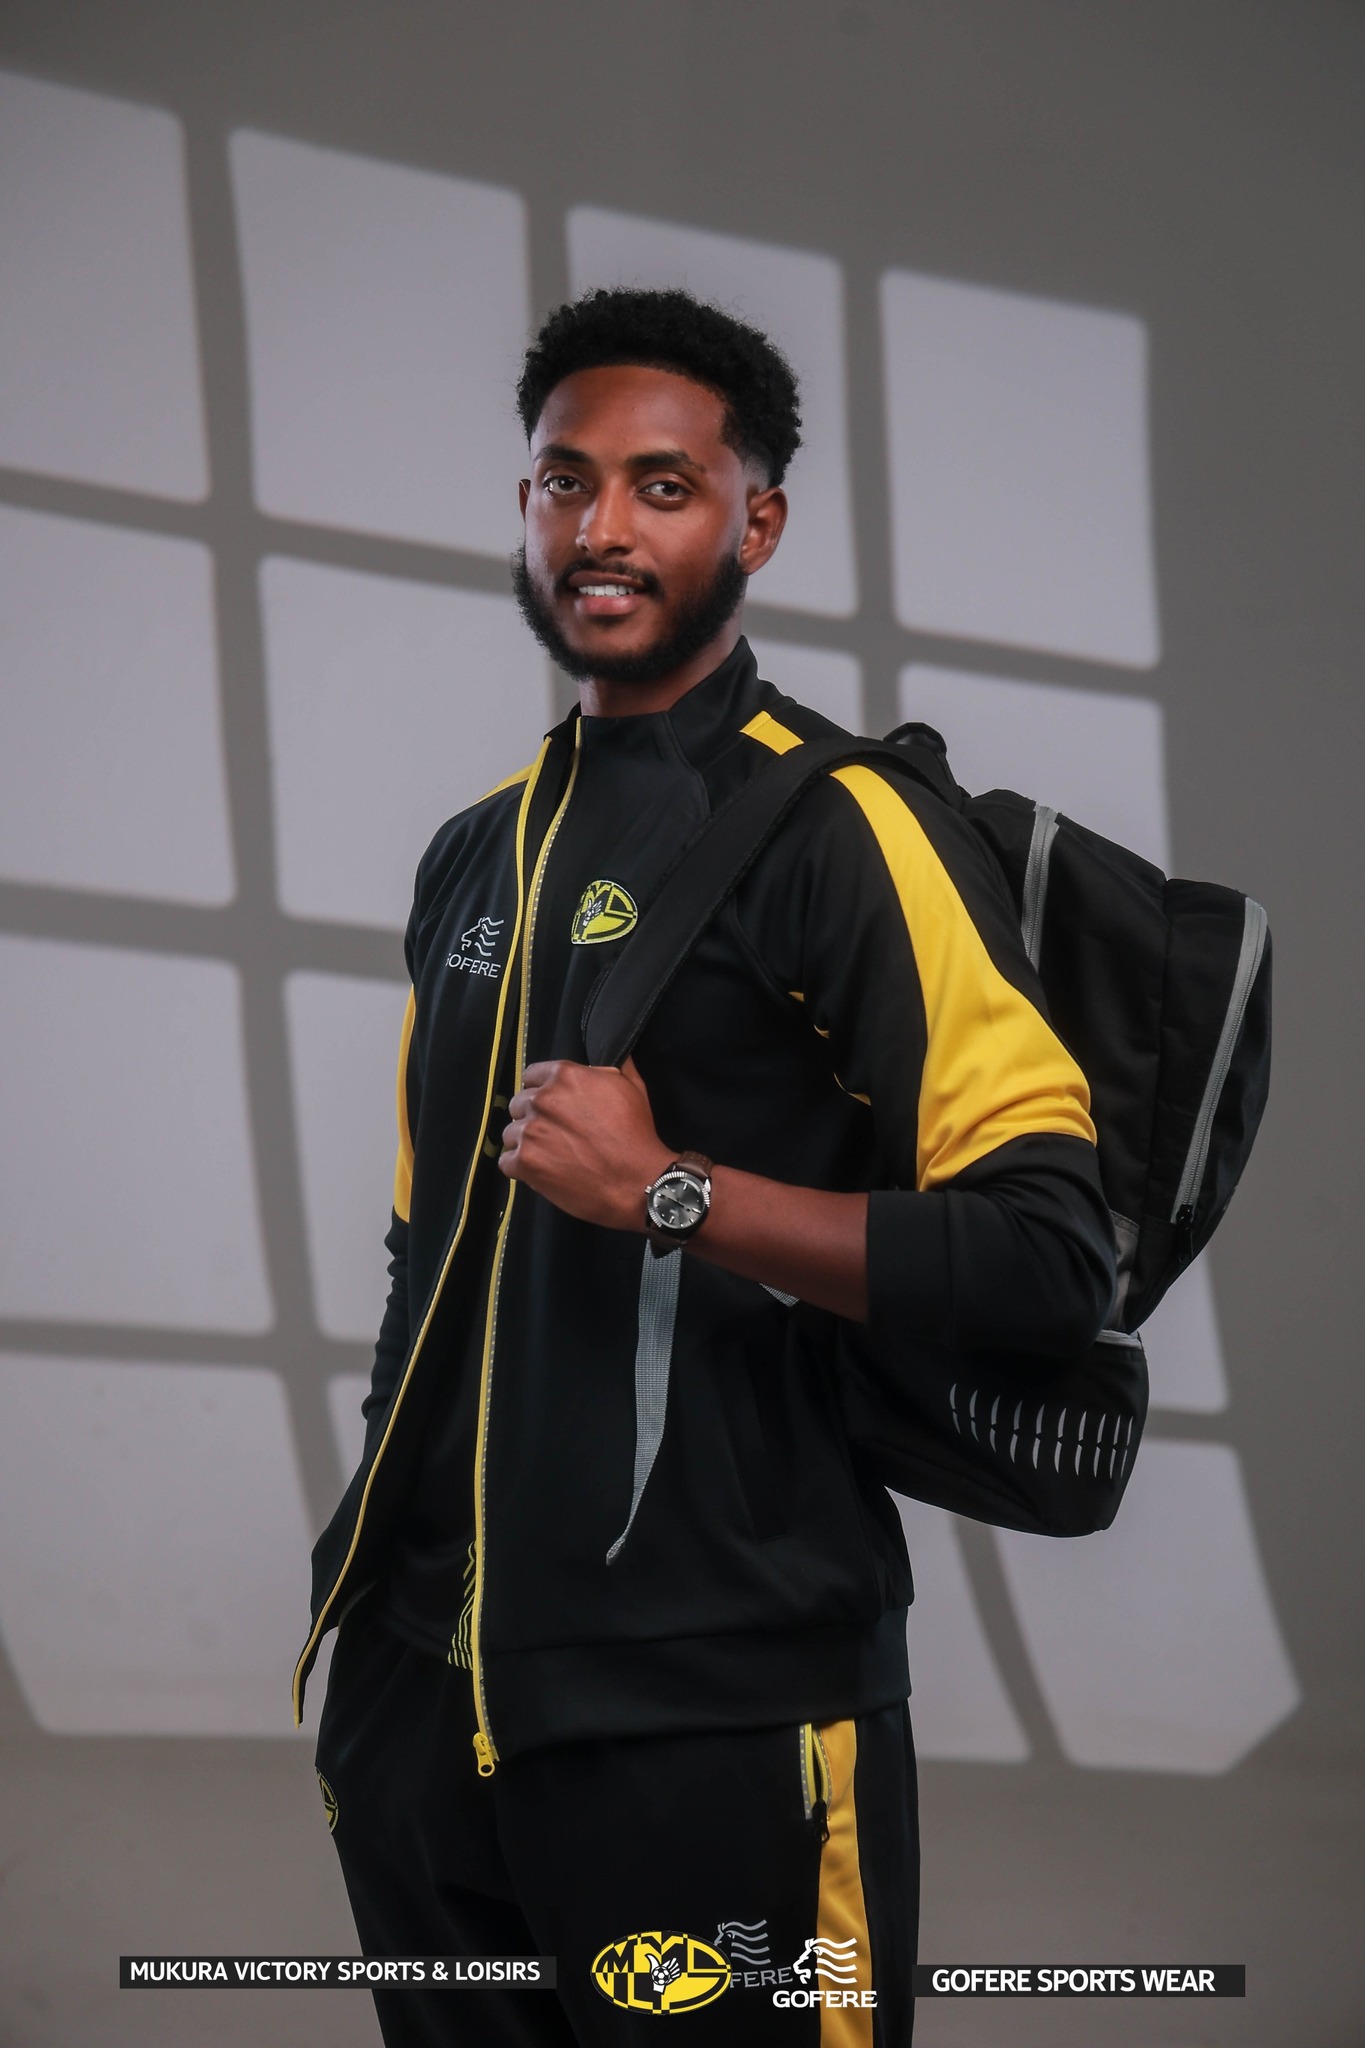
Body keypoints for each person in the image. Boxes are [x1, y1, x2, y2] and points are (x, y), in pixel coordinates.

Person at [297, 287, 1115, 2046]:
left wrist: (672, 1193)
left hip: (719, 1710)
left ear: (757, 523)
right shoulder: (471, 854)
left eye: (661, 486)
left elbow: (1053, 1255)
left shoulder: (841, 828)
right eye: (564, 480)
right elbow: (422, 1257)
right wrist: (365, 1607)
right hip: (426, 1700)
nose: (600, 527)